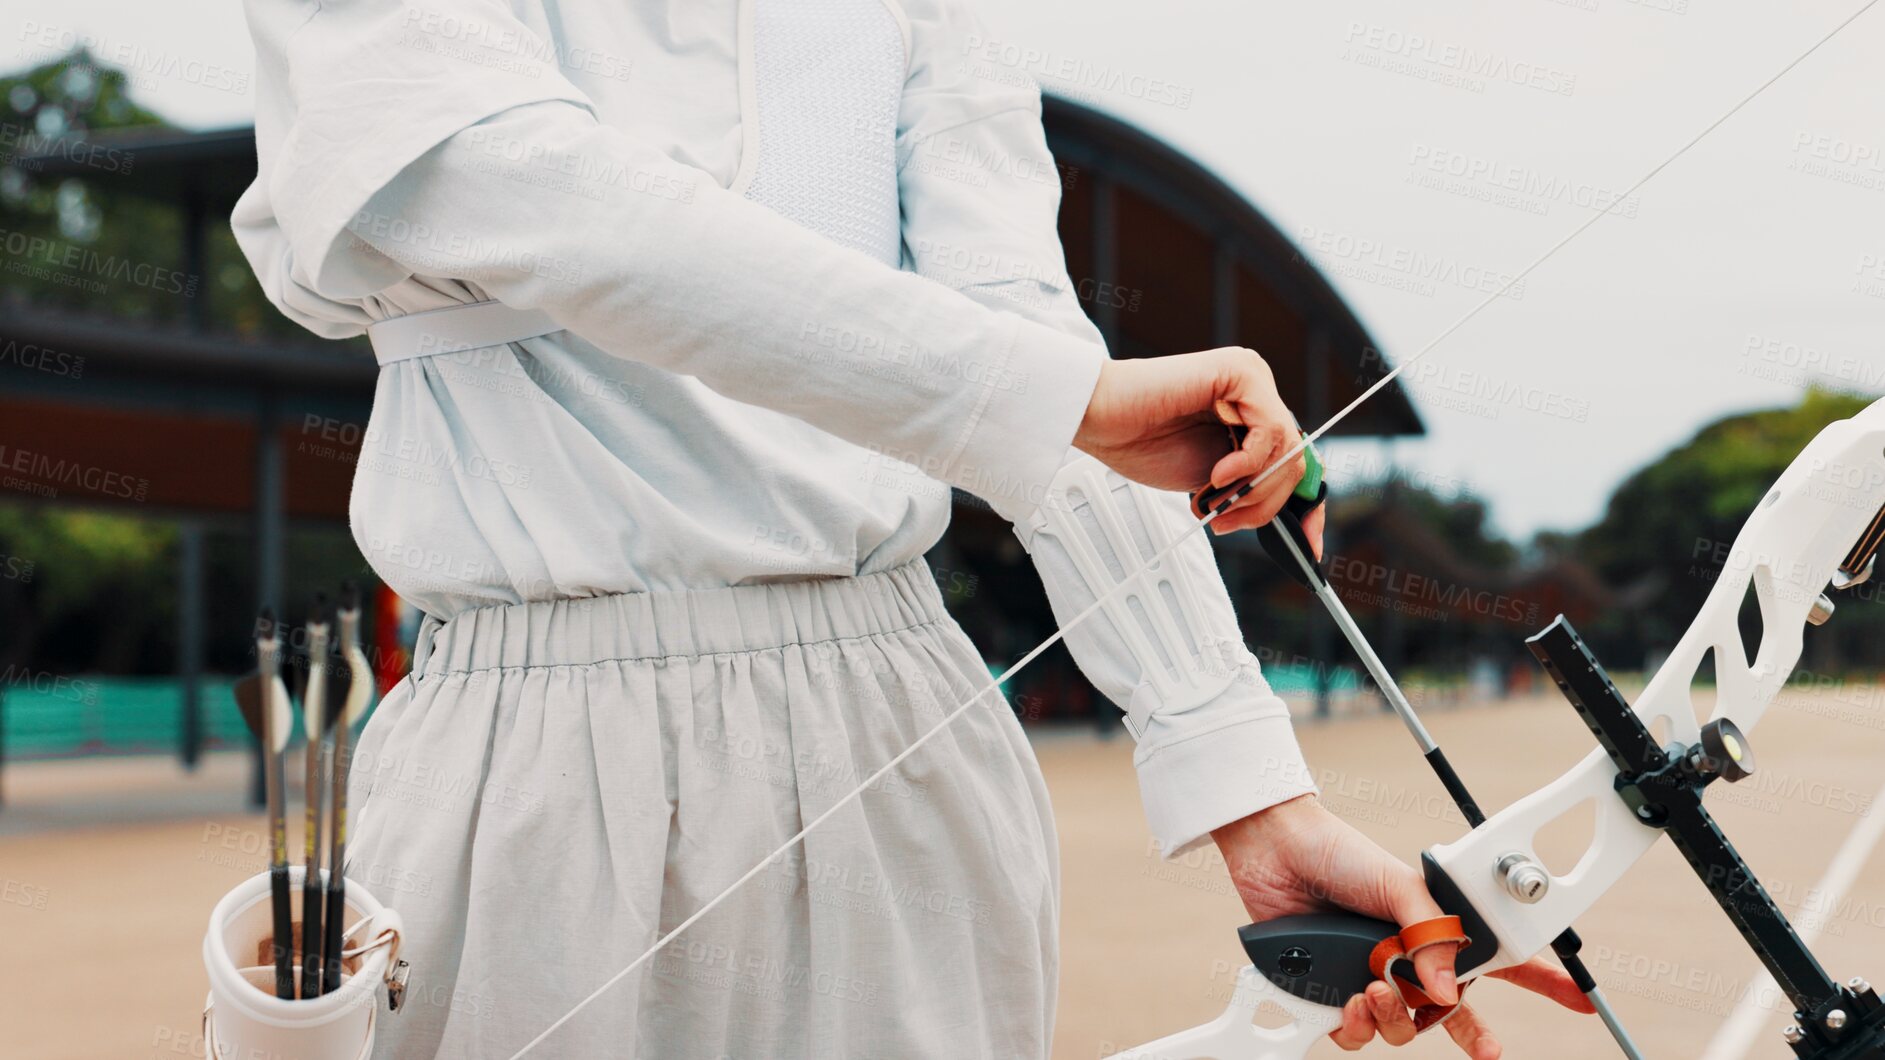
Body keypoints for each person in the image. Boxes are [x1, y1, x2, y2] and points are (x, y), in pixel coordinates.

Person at [232, 0, 1589, 1056]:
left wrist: (1239, 773)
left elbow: (1024, 330)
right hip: (535, 744)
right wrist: (1060, 395)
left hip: (905, 720)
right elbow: (512, 186)